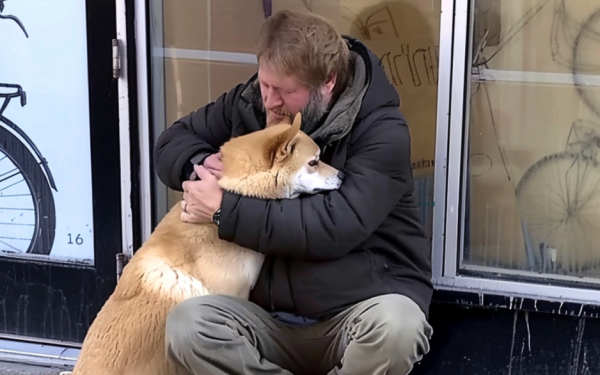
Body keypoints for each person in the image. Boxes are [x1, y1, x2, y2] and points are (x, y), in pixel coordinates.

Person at [154, 9, 433, 375]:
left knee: (399, 328)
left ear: (328, 83)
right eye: (265, 83)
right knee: (188, 325)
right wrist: (205, 164)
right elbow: (171, 142)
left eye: (285, 91)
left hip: (355, 313)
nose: (270, 101)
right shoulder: (252, 103)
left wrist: (225, 209)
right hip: (267, 318)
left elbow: (334, 227)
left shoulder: (382, 133)